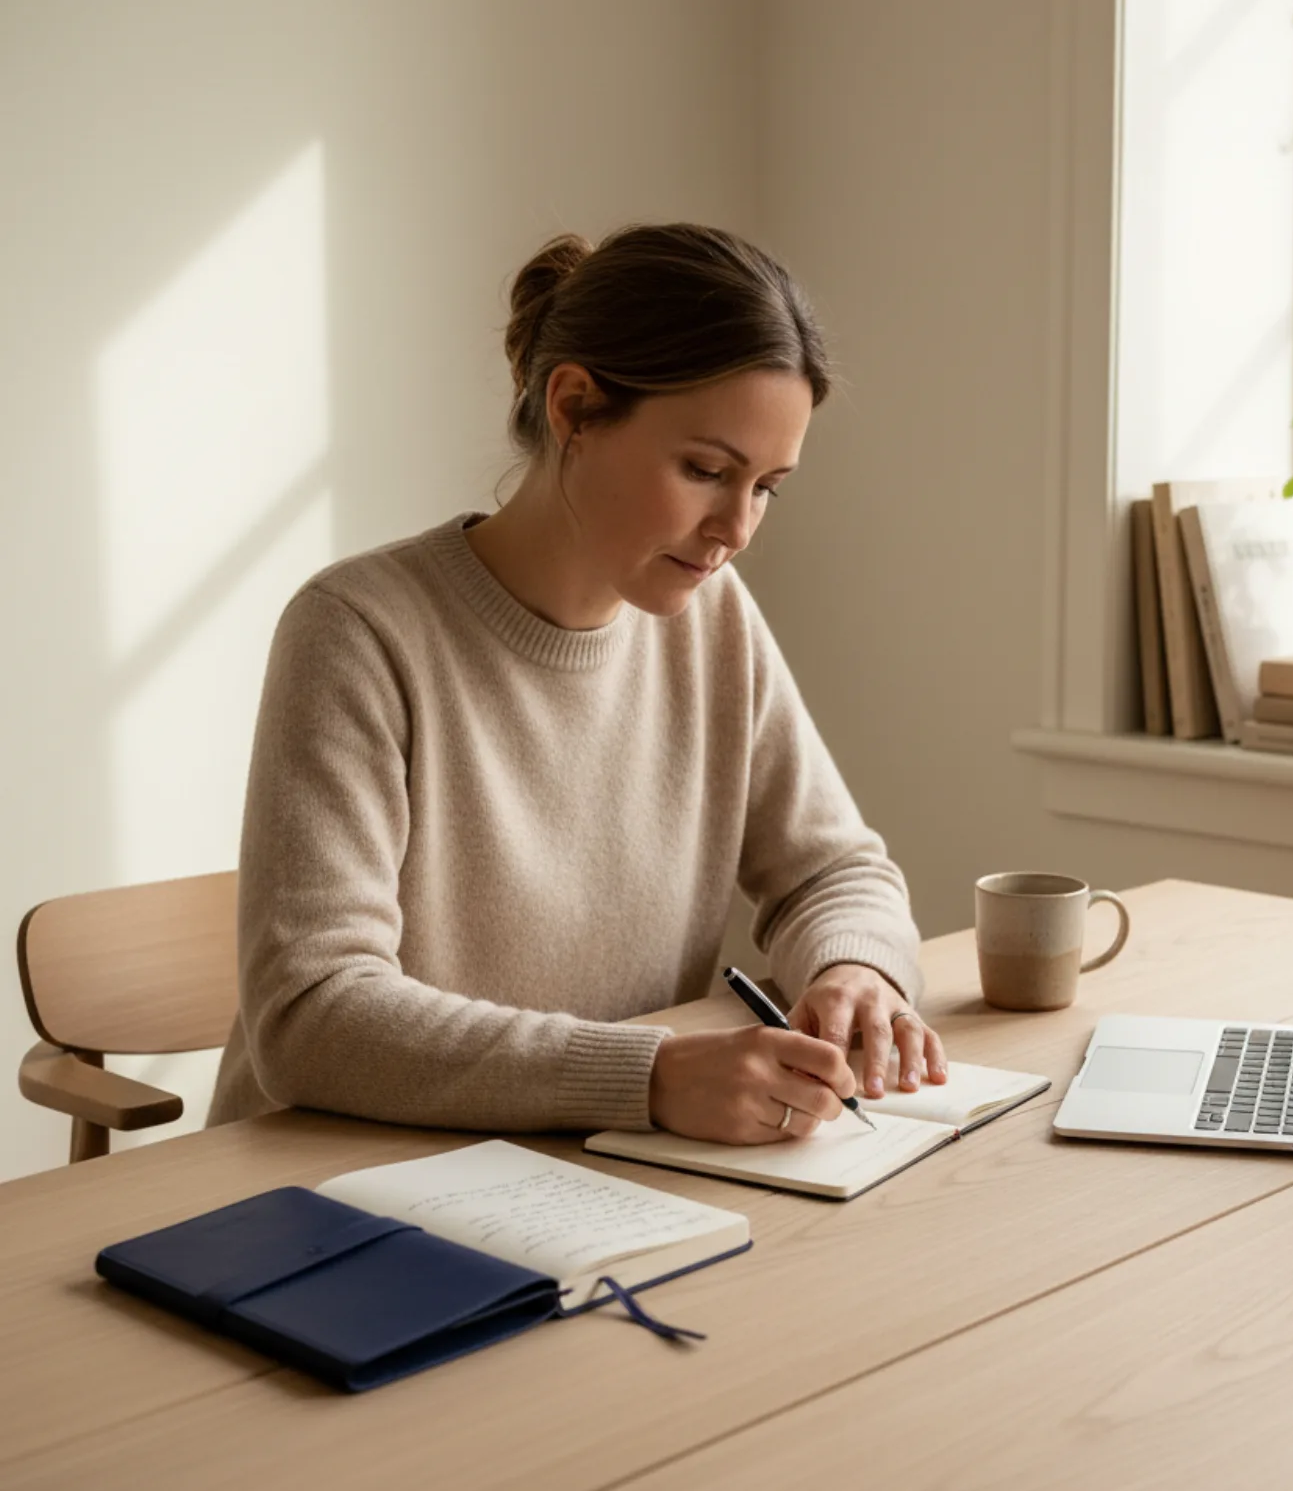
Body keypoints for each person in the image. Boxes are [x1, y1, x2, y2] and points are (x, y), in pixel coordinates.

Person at [208, 222, 946, 1145]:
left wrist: (855, 972)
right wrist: (646, 1077)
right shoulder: (358, 630)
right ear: (573, 407)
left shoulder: (713, 617)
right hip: (331, 1186)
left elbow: (834, 870)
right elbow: (312, 1016)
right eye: (706, 470)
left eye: (767, 487)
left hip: (594, 1167)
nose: (736, 529)